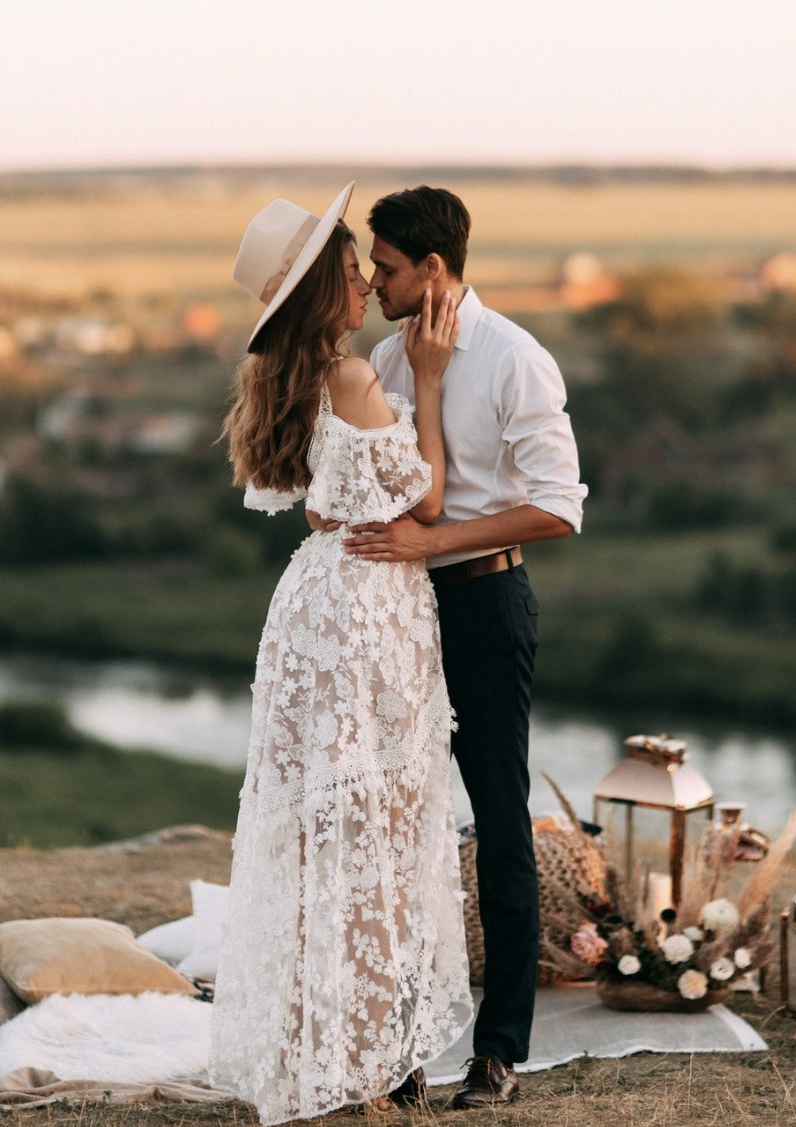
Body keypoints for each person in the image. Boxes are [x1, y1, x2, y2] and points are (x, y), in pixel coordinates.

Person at [208, 182, 473, 1126]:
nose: (365, 279)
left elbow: (319, 501)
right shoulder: (355, 377)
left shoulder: (283, 378)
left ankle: (317, 1040)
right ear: (325, 288)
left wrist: (350, 500)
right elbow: (427, 503)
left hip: (314, 602)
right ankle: (361, 1054)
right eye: (351, 269)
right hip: (367, 613)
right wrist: (431, 381)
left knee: (320, 831)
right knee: (381, 831)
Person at [337, 186, 587, 1109]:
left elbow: (561, 506)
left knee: (498, 817)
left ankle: (500, 1051)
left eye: (387, 267)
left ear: (432, 269)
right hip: (397, 614)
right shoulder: (381, 363)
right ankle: (398, 1050)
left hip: (484, 606)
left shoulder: (516, 358)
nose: (372, 281)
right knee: (399, 826)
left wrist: (432, 543)